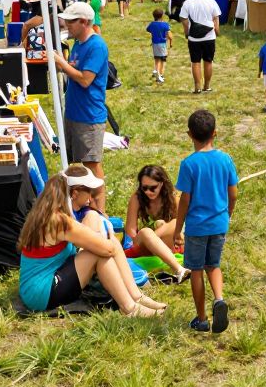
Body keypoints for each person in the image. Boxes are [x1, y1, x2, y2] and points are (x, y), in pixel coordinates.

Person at [17, 168, 164, 316]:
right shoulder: (60, 221)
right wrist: (104, 236)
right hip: (40, 293)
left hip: (38, 286)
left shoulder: (51, 212)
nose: (91, 198)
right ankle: (130, 308)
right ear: (75, 193)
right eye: (90, 192)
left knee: (108, 243)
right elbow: (107, 250)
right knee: (102, 251)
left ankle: (136, 297)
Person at [173, 109, 238, 333]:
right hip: (219, 223)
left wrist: (178, 228)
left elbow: (185, 201)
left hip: (197, 227)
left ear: (189, 134)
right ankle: (219, 299)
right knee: (214, 265)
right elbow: (234, 193)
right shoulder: (226, 159)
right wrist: (228, 213)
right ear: (215, 133)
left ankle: (201, 319)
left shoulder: (189, 164)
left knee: (197, 270)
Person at [53, 2, 110, 210]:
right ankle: (83, 205)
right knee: (77, 162)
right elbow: (75, 70)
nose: (66, 24)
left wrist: (62, 64)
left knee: (92, 164)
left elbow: (86, 79)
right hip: (74, 113)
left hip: (89, 115)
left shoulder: (97, 46)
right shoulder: (78, 42)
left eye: (71, 21)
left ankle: (100, 211)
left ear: (84, 22)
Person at [123, 165, 190, 281]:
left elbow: (183, 229)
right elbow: (130, 230)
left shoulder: (174, 199)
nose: (148, 192)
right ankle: (178, 269)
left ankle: (169, 259)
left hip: (168, 243)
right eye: (144, 188)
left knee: (175, 223)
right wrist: (149, 238)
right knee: (146, 232)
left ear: (162, 184)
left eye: (153, 188)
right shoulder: (137, 197)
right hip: (142, 243)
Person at [179, 0, 222, 94]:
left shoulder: (188, 2)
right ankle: (207, 86)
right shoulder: (211, 1)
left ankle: (197, 87)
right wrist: (217, 30)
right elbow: (216, 18)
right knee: (208, 61)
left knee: (195, 62)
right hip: (209, 36)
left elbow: (183, 18)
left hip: (194, 36)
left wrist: (186, 31)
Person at [146, 8, 172, 84]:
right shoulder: (165, 25)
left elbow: (148, 29)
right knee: (163, 60)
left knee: (157, 59)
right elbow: (169, 35)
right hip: (162, 44)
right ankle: (160, 75)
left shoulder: (152, 24)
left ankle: (156, 71)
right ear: (162, 16)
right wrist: (170, 42)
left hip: (154, 44)